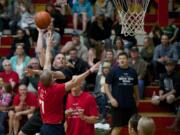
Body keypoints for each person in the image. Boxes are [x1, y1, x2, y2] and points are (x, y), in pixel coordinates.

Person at [104, 52, 139, 135]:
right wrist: (111, 99)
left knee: (133, 127)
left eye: (124, 58)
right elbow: (106, 86)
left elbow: (135, 87)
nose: (122, 60)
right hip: (117, 104)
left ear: (127, 60)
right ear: (118, 61)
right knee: (117, 127)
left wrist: (137, 98)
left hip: (130, 104)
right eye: (120, 59)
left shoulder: (133, 71)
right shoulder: (113, 71)